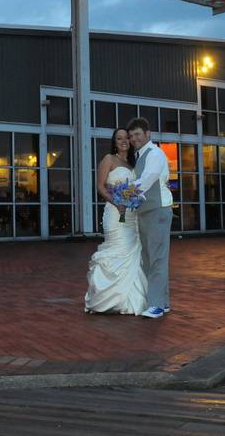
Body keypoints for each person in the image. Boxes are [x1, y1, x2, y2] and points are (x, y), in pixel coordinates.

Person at [84, 128, 148, 315]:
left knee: (132, 252)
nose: (124, 141)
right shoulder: (108, 159)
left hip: (131, 216)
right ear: (114, 141)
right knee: (117, 250)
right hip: (114, 213)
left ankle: (130, 300)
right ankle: (106, 299)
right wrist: (117, 201)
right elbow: (100, 186)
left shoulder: (133, 164)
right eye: (119, 138)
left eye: (126, 138)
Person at [127, 117, 173, 319]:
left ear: (148, 134)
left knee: (157, 259)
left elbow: (146, 180)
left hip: (157, 210)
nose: (134, 138)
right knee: (150, 258)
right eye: (131, 136)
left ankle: (156, 305)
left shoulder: (155, 153)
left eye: (137, 134)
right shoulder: (140, 155)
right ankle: (163, 302)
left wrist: (125, 195)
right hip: (147, 211)